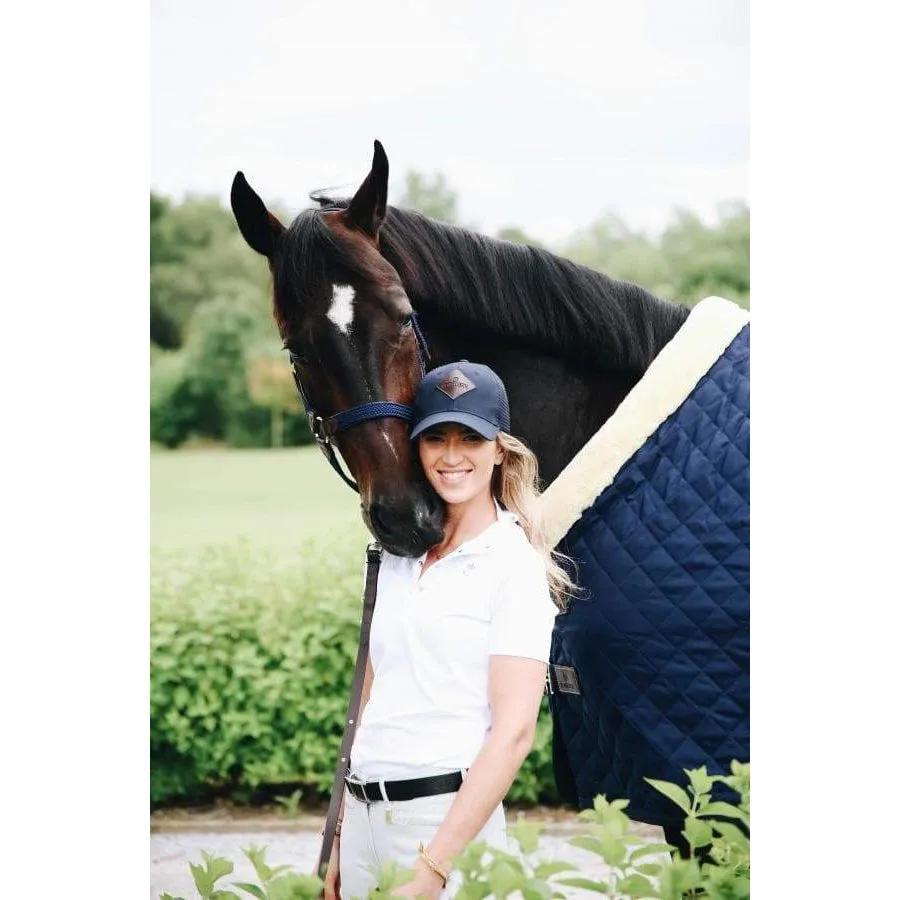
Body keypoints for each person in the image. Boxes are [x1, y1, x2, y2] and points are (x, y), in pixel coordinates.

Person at [324, 360, 576, 900]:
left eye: (471, 438)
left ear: (500, 449)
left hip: (441, 825)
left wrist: (434, 865)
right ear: (415, 446)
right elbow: (368, 702)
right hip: (363, 817)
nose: (452, 456)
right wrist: (340, 835)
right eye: (436, 437)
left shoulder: (513, 565)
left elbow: (513, 734)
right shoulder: (397, 555)